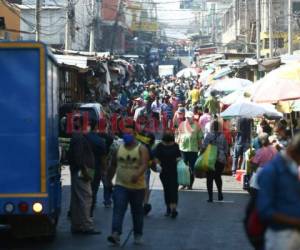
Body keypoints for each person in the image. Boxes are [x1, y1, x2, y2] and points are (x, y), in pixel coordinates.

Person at [107, 124, 149, 246]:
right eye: (125, 133)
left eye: (129, 133)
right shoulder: (118, 148)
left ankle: (138, 234)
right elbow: (113, 165)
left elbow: (144, 164)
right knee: (118, 210)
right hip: (121, 186)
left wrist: (137, 174)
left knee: (137, 212)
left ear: (135, 134)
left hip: (138, 188)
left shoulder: (142, 149)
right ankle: (115, 233)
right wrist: (108, 180)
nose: (127, 136)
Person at [257, 133, 300, 250]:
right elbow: (265, 210)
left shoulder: (292, 170)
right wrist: (295, 221)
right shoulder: (271, 171)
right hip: (280, 236)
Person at [68, 115, 100, 234]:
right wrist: (85, 172)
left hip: (79, 171)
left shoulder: (78, 136)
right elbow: (79, 157)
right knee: (86, 197)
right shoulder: (80, 137)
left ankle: (77, 224)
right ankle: (86, 225)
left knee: (78, 199)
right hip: (82, 172)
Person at [154, 131, 181, 218]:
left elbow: (156, 158)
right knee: (174, 190)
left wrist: (158, 166)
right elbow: (179, 158)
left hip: (163, 171)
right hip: (174, 171)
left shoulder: (160, 146)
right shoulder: (175, 146)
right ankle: (173, 208)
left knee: (167, 190)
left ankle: (168, 209)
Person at [201, 120, 228, 202]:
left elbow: (204, 146)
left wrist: (201, 154)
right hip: (220, 159)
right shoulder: (223, 136)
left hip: (210, 159)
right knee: (218, 176)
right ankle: (220, 193)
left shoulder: (209, 135)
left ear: (211, 127)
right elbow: (226, 148)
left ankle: (210, 197)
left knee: (209, 178)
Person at [86, 120, 107, 217]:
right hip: (96, 169)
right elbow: (103, 158)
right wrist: (104, 170)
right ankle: (89, 213)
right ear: (96, 127)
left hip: (85, 169)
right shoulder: (100, 141)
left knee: (84, 189)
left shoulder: (84, 138)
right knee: (93, 190)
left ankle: (77, 212)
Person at [177, 111, 203, 189]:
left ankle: (190, 184)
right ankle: (183, 183)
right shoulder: (182, 124)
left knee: (192, 168)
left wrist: (201, 147)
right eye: (187, 117)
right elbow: (179, 135)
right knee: (183, 167)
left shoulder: (197, 125)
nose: (189, 119)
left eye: (190, 117)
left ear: (193, 118)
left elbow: (199, 137)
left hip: (193, 149)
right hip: (183, 149)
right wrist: (177, 145)